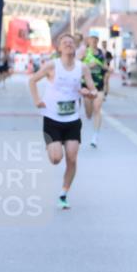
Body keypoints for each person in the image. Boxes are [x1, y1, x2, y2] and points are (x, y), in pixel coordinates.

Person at [28, 33, 98, 210]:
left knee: (72, 158)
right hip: (52, 118)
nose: (68, 45)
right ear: (59, 48)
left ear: (75, 47)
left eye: (71, 43)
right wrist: (37, 100)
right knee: (55, 158)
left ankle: (63, 193)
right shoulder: (52, 66)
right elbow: (32, 80)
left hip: (73, 119)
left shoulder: (82, 68)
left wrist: (89, 93)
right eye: (65, 43)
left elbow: (93, 89)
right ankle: (52, 146)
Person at [81, 35, 110, 147]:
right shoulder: (84, 52)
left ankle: (95, 136)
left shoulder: (102, 54)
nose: (94, 42)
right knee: (89, 113)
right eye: (92, 40)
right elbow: (77, 66)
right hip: (87, 85)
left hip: (99, 85)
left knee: (97, 108)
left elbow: (106, 67)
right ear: (88, 41)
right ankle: (89, 114)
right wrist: (89, 65)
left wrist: (104, 67)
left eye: (96, 40)